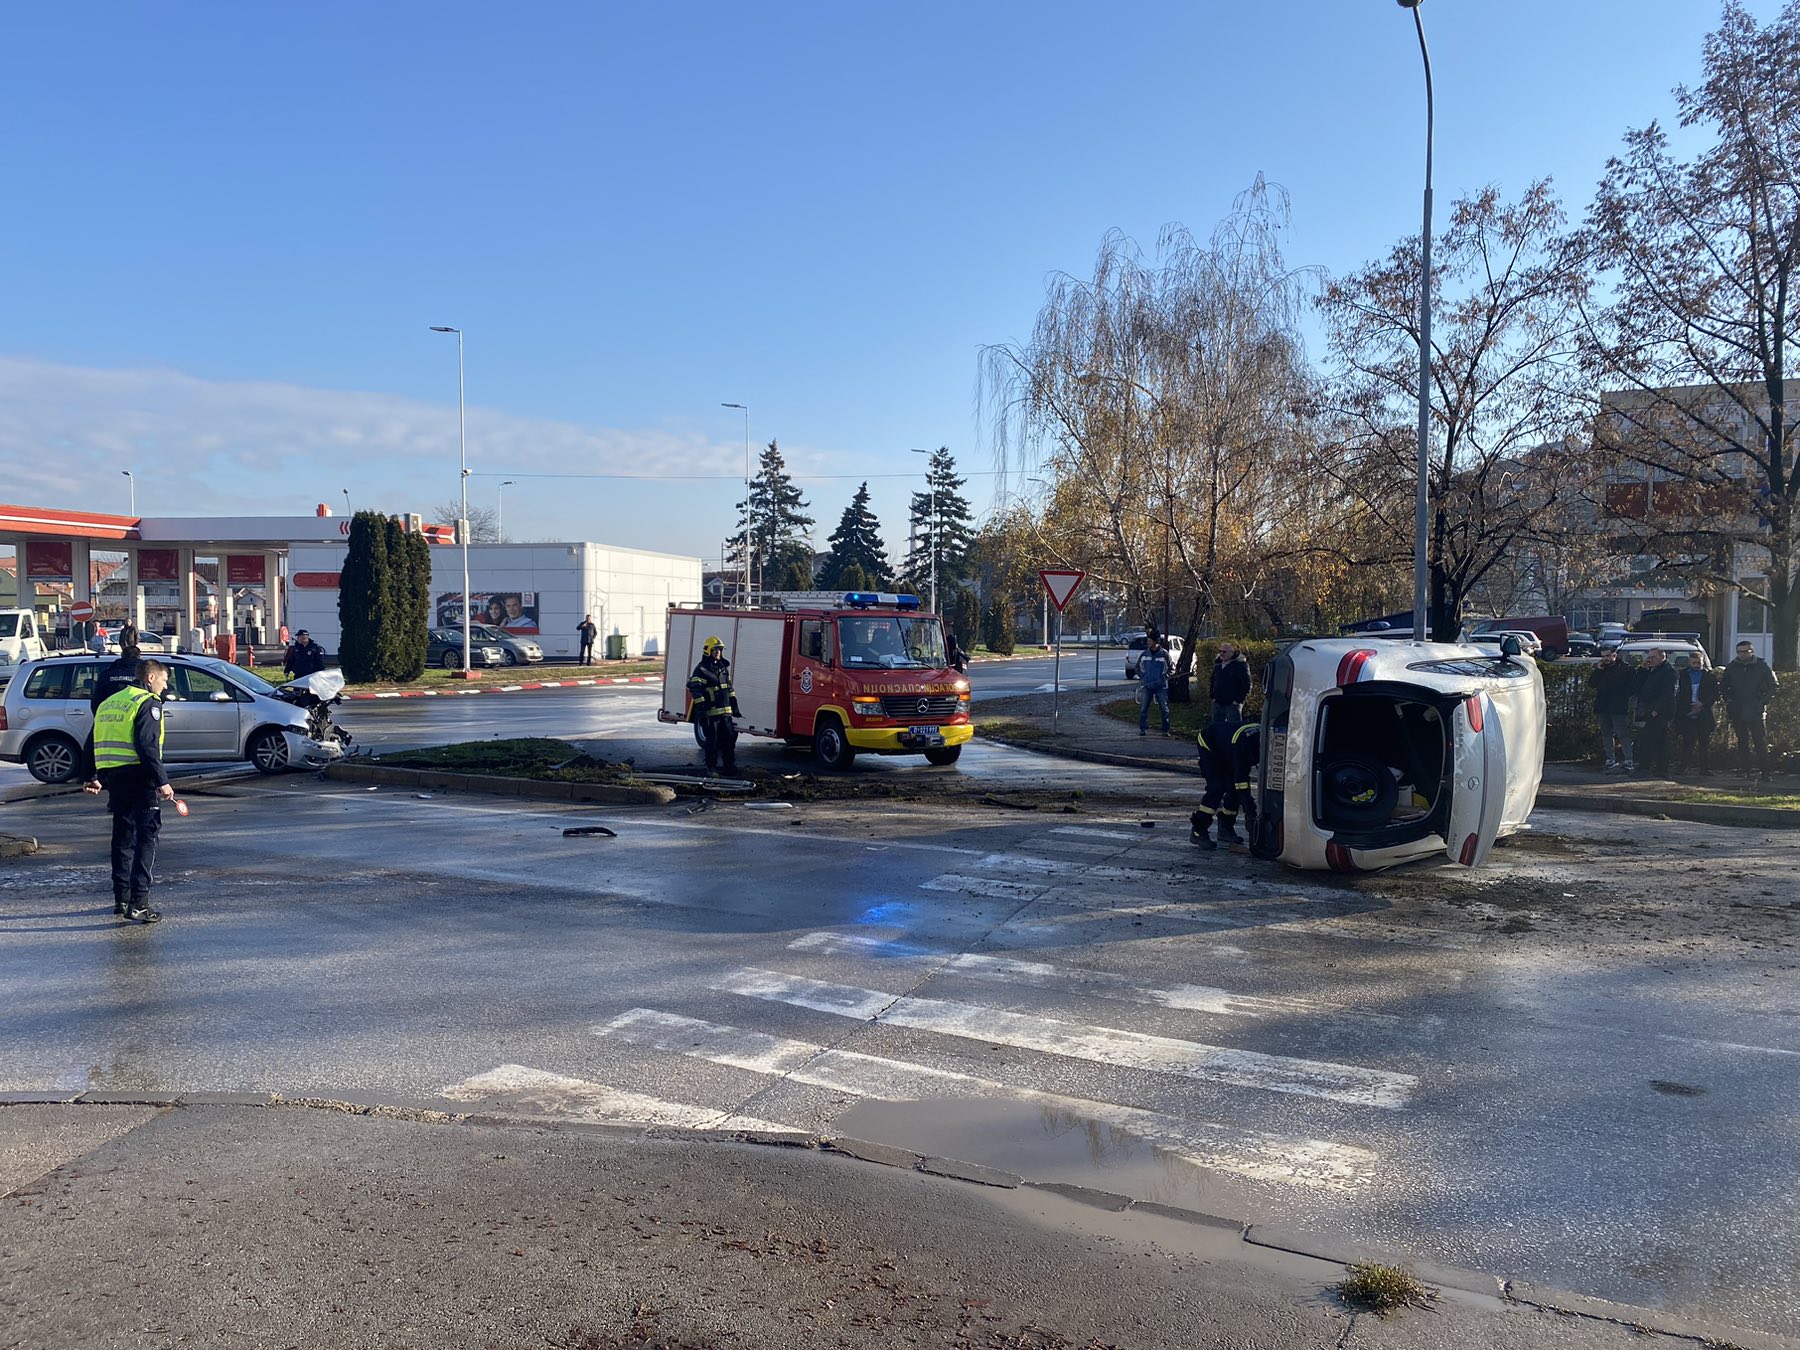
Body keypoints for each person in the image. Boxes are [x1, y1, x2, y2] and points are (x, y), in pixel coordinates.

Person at [85, 658, 175, 924]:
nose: (165, 684)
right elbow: (147, 746)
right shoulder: (148, 703)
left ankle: (121, 898)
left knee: (122, 837)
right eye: (164, 679)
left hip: (114, 777)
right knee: (147, 837)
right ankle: (139, 902)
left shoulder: (110, 702)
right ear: (150, 679)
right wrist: (162, 781)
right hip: (140, 777)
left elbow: (92, 739)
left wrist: (93, 775)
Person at [1721, 640, 1778, 775]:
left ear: (1751, 651)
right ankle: (1745, 770)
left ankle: (1765, 772)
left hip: (1756, 711)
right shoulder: (1732, 667)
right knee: (1742, 741)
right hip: (1738, 710)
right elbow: (1723, 686)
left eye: (1744, 652)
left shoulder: (1762, 666)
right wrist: (1730, 700)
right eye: (1739, 652)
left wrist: (1762, 702)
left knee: (1760, 742)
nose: (1741, 655)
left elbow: (1773, 686)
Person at [1190, 708, 1244, 849]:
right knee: (1217, 787)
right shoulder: (1249, 744)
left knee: (1234, 788)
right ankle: (1198, 829)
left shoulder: (1258, 741)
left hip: (1226, 748)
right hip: (1209, 744)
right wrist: (1250, 813)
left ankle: (1225, 827)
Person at [687, 636, 741, 775]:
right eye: (716, 649)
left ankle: (729, 767)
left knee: (729, 741)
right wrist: (701, 710)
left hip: (725, 713)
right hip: (711, 714)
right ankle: (711, 769)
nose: (718, 652)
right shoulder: (701, 670)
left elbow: (729, 688)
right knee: (712, 743)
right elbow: (695, 689)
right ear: (708, 651)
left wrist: (734, 706)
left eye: (720, 650)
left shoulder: (723, 668)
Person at [1588, 648, 1638, 773]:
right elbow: (1592, 683)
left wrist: (1619, 696)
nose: (1605, 658)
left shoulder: (1626, 669)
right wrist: (1598, 670)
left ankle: (1628, 760)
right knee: (1606, 734)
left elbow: (1632, 687)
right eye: (1603, 656)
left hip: (1618, 707)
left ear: (1614, 655)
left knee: (1622, 734)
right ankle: (1610, 759)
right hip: (1603, 706)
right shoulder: (1601, 669)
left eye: (1608, 656)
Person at [1672, 650, 1720, 775]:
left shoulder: (1709, 676)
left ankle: (1704, 769)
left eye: (1699, 662)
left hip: (1703, 713)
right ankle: (1683, 767)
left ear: (1703, 662)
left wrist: (1702, 704)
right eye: (1694, 663)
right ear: (1690, 662)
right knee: (1688, 742)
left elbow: (1714, 693)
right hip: (1687, 713)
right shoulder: (1682, 675)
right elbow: (1678, 694)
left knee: (1704, 743)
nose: (1696, 665)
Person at [1634, 648, 1678, 777]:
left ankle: (1653, 768)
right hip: (1648, 709)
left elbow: (1669, 694)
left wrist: (1656, 710)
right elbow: (1638, 685)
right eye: (1649, 657)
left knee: (1654, 740)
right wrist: (1642, 669)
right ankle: (1656, 768)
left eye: (1652, 657)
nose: (1650, 660)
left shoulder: (1669, 672)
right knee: (1654, 740)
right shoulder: (1652, 670)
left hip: (1661, 712)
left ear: (1662, 656)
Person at [1137, 636, 1172, 737]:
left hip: (1161, 686)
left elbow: (1171, 669)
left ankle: (1165, 730)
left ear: (1156, 642)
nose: (1148, 642)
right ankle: (1143, 728)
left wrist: (1164, 677)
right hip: (1147, 686)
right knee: (1143, 708)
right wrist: (1143, 677)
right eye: (1148, 640)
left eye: (1150, 640)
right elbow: (1138, 667)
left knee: (1164, 709)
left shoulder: (1164, 654)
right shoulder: (1144, 654)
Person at [1210, 642, 1251, 721]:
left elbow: (1247, 684)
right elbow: (1212, 680)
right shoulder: (1218, 664)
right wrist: (1212, 695)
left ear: (1232, 653)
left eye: (1224, 652)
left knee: (1233, 727)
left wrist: (1238, 700)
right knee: (1216, 727)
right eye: (1220, 651)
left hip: (1232, 704)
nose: (1221, 653)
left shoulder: (1240, 665)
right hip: (1217, 702)